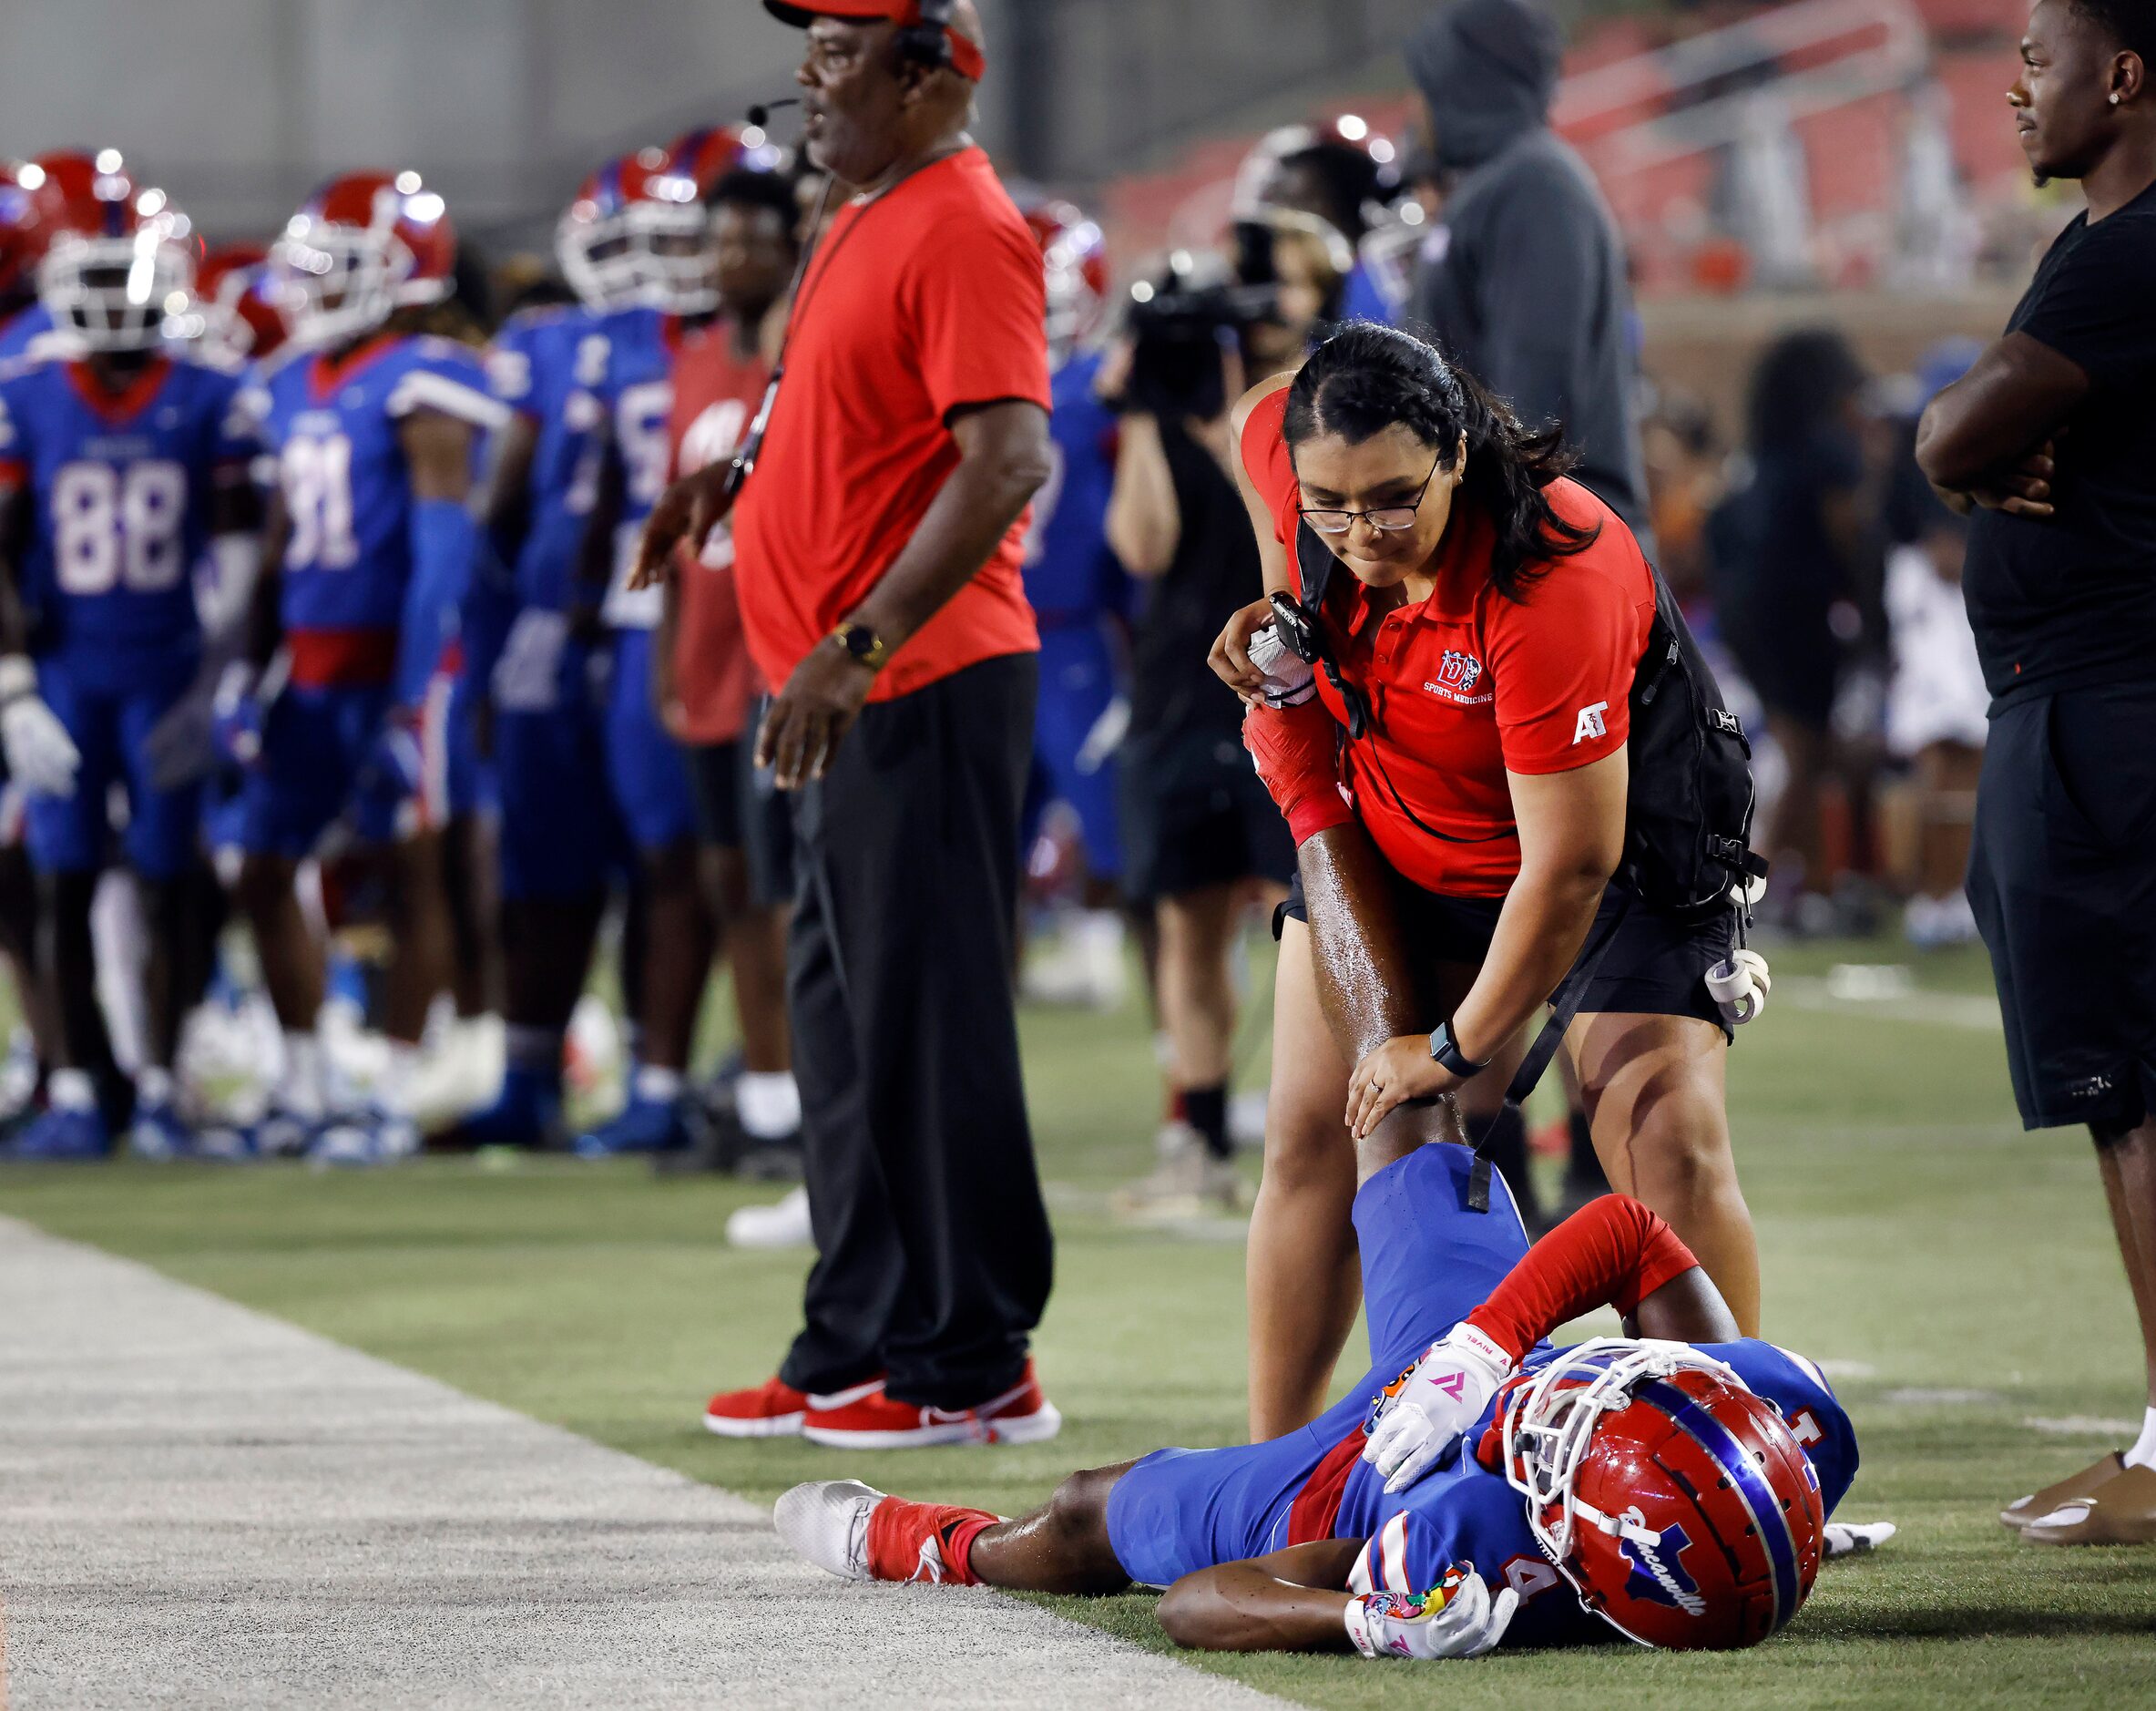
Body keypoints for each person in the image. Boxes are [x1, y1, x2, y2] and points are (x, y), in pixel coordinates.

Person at [1211, 325, 1763, 1441]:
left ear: (1458, 453)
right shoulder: (1288, 453)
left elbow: (1570, 868)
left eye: (1392, 500)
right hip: (1404, 825)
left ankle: (1747, 1459)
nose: (1359, 533)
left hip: (1622, 856)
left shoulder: (1555, 569)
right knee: (1316, 1136)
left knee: (1662, 1139)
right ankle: (1280, 1474)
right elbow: (1264, 412)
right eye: (1328, 503)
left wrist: (1454, 1048)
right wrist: (1280, 611)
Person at [637, 0, 1059, 1448]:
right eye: (808, 47)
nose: (807, 78)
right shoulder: (863, 208)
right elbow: (827, 396)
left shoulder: (960, 222)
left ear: (927, 68)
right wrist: (735, 475)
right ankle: (857, 1335)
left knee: (923, 1024)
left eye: (835, 51)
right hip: (830, 689)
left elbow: (1007, 458)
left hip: (917, 681)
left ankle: (972, 1356)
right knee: (841, 1027)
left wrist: (857, 642)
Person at [775, 1103, 1861, 1659]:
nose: (1565, 1402)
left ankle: (932, 1544)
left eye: (1566, 1440)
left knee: (1088, 1510)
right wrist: (1492, 1350)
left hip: (1365, 1475)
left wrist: (1362, 1620)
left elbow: (1202, 1605)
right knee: (1406, 1107)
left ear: (1579, 1552)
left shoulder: (1471, 1542)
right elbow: (1625, 1230)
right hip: (1474, 1352)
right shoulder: (1790, 1415)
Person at [1915, 0, 2156, 1547]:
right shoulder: (2100, 250)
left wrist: (1960, 443)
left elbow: (1955, 429)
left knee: (2131, 1082)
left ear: (2124, 77)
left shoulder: (2129, 251)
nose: (2011, 91)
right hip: (2089, 700)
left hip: (2105, 715)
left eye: (2036, 61)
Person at [221, 169, 505, 1164]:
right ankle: (303, 1085)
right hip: (306, 664)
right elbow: (277, 545)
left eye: (339, 268)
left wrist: (420, 684)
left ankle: (387, 1091)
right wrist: (244, 665)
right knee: (263, 867)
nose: (311, 288)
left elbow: (440, 552)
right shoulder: (290, 381)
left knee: (409, 866)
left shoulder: (427, 372)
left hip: (395, 660)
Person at [0, 162, 257, 1160]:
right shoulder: (26, 393)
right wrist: (14, 687)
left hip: (166, 665)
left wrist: (212, 678)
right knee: (62, 876)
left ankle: (161, 1081)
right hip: (66, 666)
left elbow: (242, 549)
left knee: (170, 876)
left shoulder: (209, 394)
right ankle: (75, 1083)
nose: (113, 299)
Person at [1101, 261, 1295, 1218]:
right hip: (1176, 701)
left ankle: (1327, 1130)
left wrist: (1224, 411)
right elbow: (1142, 544)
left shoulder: (1274, 424)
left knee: (1309, 915)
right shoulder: (1152, 431)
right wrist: (1141, 409)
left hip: (1277, 698)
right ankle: (1203, 1134)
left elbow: (1276, 522)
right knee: (1186, 930)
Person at [451, 163, 633, 1153]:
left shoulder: (733, 332)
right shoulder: (546, 341)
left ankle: (663, 1075)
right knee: (540, 867)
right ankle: (530, 1071)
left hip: (654, 623)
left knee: (676, 868)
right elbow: (502, 506)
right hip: (556, 627)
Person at [569, 128, 742, 1160]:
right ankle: (662, 1073)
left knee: (739, 870)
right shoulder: (620, 343)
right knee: (668, 860)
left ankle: (765, 1078)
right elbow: (589, 503)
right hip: (656, 617)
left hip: (751, 614)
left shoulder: (764, 336)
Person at [653, 163, 803, 1176]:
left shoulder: (798, 356)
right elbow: (675, 529)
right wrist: (668, 663)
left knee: (785, 893)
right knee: (729, 887)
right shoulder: (694, 363)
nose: (735, 258)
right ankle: (762, 1094)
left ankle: (801, 1103)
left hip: (776, 657)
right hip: (706, 658)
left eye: (757, 240)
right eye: (725, 240)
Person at [1405, 0, 1650, 534]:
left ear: (1459, 79)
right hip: (1521, 537)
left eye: (1427, 84)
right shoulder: (1500, 185)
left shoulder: (1534, 187)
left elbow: (1533, 402)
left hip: (1552, 544)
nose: (1416, 108)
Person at [1707, 330, 1875, 933]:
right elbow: (1847, 537)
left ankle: (1816, 889)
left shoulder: (1761, 458)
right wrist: (1870, 613)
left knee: (1807, 752)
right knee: (1805, 755)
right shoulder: (1829, 452)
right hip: (1797, 615)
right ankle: (1753, 895)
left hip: (1747, 613)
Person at [1014, 196, 1129, 1015]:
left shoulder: (1102, 387)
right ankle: (1007, 946)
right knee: (994, 808)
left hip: (1072, 624)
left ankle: (1097, 946)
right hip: (999, 625)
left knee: (1094, 794)